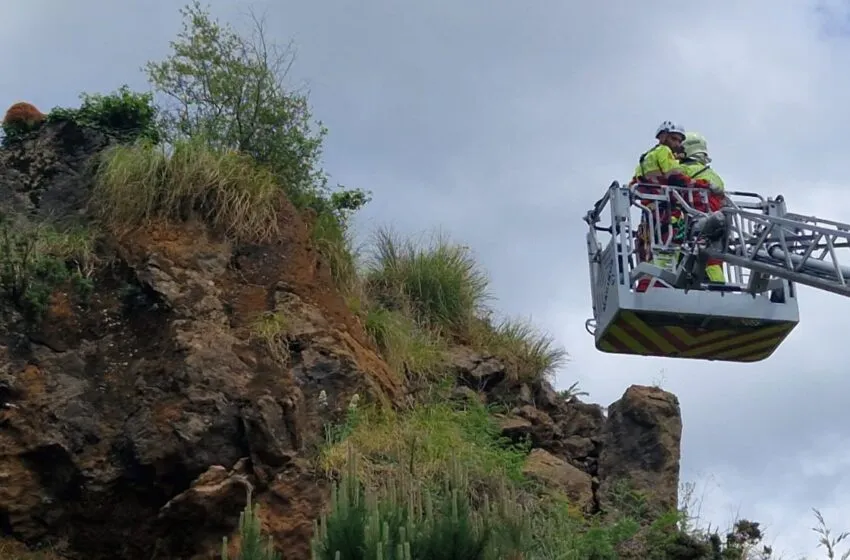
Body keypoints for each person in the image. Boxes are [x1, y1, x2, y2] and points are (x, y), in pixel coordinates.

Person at [631, 121, 692, 292]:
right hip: (666, 210)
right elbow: (675, 177)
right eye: (674, 139)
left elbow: (634, 184)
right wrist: (697, 184)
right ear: (662, 137)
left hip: (650, 211)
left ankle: (645, 286)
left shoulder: (644, 158)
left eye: (680, 141)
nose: (677, 144)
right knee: (669, 247)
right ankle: (661, 285)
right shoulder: (664, 152)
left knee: (650, 250)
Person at [678, 131, 726, 284]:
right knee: (714, 261)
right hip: (717, 228)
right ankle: (719, 287)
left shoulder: (682, 171)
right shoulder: (714, 176)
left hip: (689, 226)